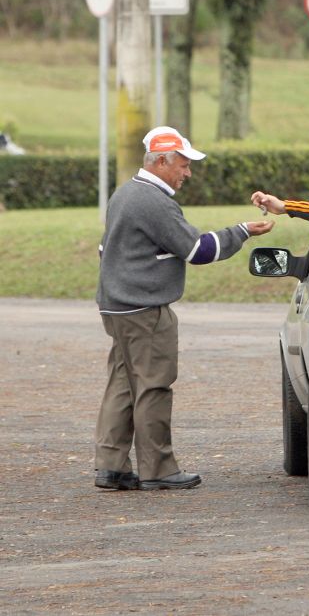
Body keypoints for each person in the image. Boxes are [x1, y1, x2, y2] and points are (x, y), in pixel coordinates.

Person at [94, 126, 274, 491]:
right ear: (160, 161)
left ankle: (110, 466)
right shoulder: (153, 200)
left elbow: (105, 251)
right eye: (183, 164)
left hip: (116, 307)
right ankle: (158, 469)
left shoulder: (124, 194)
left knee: (122, 385)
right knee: (153, 386)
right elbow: (199, 251)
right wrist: (241, 232)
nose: (187, 172)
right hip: (144, 310)